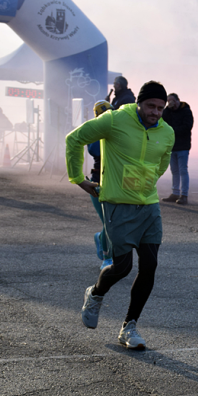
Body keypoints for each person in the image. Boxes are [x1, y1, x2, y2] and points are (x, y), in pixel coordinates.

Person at [66, 81, 174, 350]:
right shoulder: (114, 120)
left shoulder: (168, 132)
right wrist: (78, 178)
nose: (156, 112)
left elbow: (163, 161)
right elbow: (74, 138)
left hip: (149, 206)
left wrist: (145, 183)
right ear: (139, 103)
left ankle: (130, 326)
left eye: (161, 108)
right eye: (151, 106)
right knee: (122, 267)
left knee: (149, 266)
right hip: (117, 206)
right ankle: (96, 293)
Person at [88, 100, 114, 271]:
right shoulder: (95, 131)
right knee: (108, 222)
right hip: (98, 183)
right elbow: (95, 150)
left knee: (111, 221)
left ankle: (102, 242)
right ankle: (107, 257)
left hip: (114, 182)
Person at [161, 93, 194, 205]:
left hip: (182, 146)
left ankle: (184, 194)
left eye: (172, 100)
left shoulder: (186, 111)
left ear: (177, 100)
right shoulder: (168, 112)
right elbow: (162, 120)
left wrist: (172, 131)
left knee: (183, 170)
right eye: (168, 101)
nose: (170, 103)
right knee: (174, 170)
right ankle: (175, 192)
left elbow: (187, 126)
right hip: (172, 146)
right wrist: (167, 109)